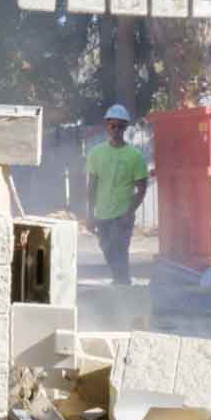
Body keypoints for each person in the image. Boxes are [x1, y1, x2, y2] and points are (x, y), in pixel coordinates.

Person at [86, 104, 149, 286]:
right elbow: (91, 187)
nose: (116, 130)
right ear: (107, 126)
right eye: (113, 126)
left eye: (121, 126)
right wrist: (90, 214)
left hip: (122, 216)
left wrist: (129, 213)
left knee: (119, 251)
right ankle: (121, 282)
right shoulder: (95, 154)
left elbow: (142, 189)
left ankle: (122, 287)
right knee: (108, 250)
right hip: (102, 215)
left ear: (126, 128)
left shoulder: (134, 156)